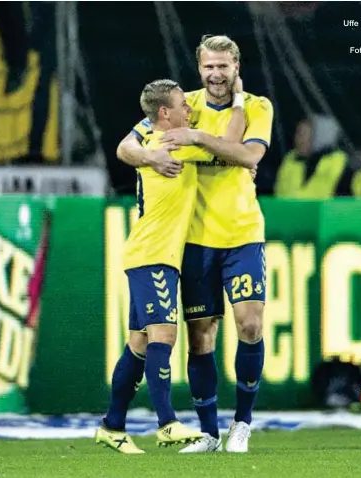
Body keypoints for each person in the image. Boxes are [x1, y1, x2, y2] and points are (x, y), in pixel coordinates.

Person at [116, 35, 274, 453]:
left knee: (251, 325)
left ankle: (242, 422)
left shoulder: (257, 106)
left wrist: (200, 139)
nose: (216, 74)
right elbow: (126, 145)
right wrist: (151, 157)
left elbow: (249, 155)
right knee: (201, 336)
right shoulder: (181, 106)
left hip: (242, 233)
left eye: (224, 66)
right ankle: (208, 432)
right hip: (195, 239)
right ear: (199, 68)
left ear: (236, 67)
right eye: (209, 67)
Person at [96, 78, 244, 454]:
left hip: (148, 254)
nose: (189, 111)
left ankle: (112, 427)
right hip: (154, 257)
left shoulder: (154, 141)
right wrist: (239, 102)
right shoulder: (174, 145)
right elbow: (231, 147)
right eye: (182, 106)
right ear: (165, 113)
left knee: (139, 344)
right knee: (165, 336)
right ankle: (167, 424)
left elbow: (129, 143)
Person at [274, 118, 353, 198]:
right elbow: (279, 189)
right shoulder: (291, 158)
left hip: (320, 209)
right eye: (298, 133)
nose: (299, 139)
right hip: (288, 208)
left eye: (305, 134)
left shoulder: (336, 159)